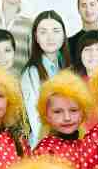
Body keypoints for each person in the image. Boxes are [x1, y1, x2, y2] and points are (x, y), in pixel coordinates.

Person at [20, 10, 72, 146]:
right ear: (36, 37)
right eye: (43, 32)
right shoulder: (31, 73)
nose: (50, 37)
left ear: (64, 35)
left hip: (67, 141)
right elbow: (35, 120)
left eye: (56, 31)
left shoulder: (66, 67)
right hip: (45, 145)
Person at [32, 71, 93, 169]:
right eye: (58, 112)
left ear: (83, 112)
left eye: (73, 110)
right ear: (46, 116)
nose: (67, 118)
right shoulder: (45, 151)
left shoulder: (89, 145)